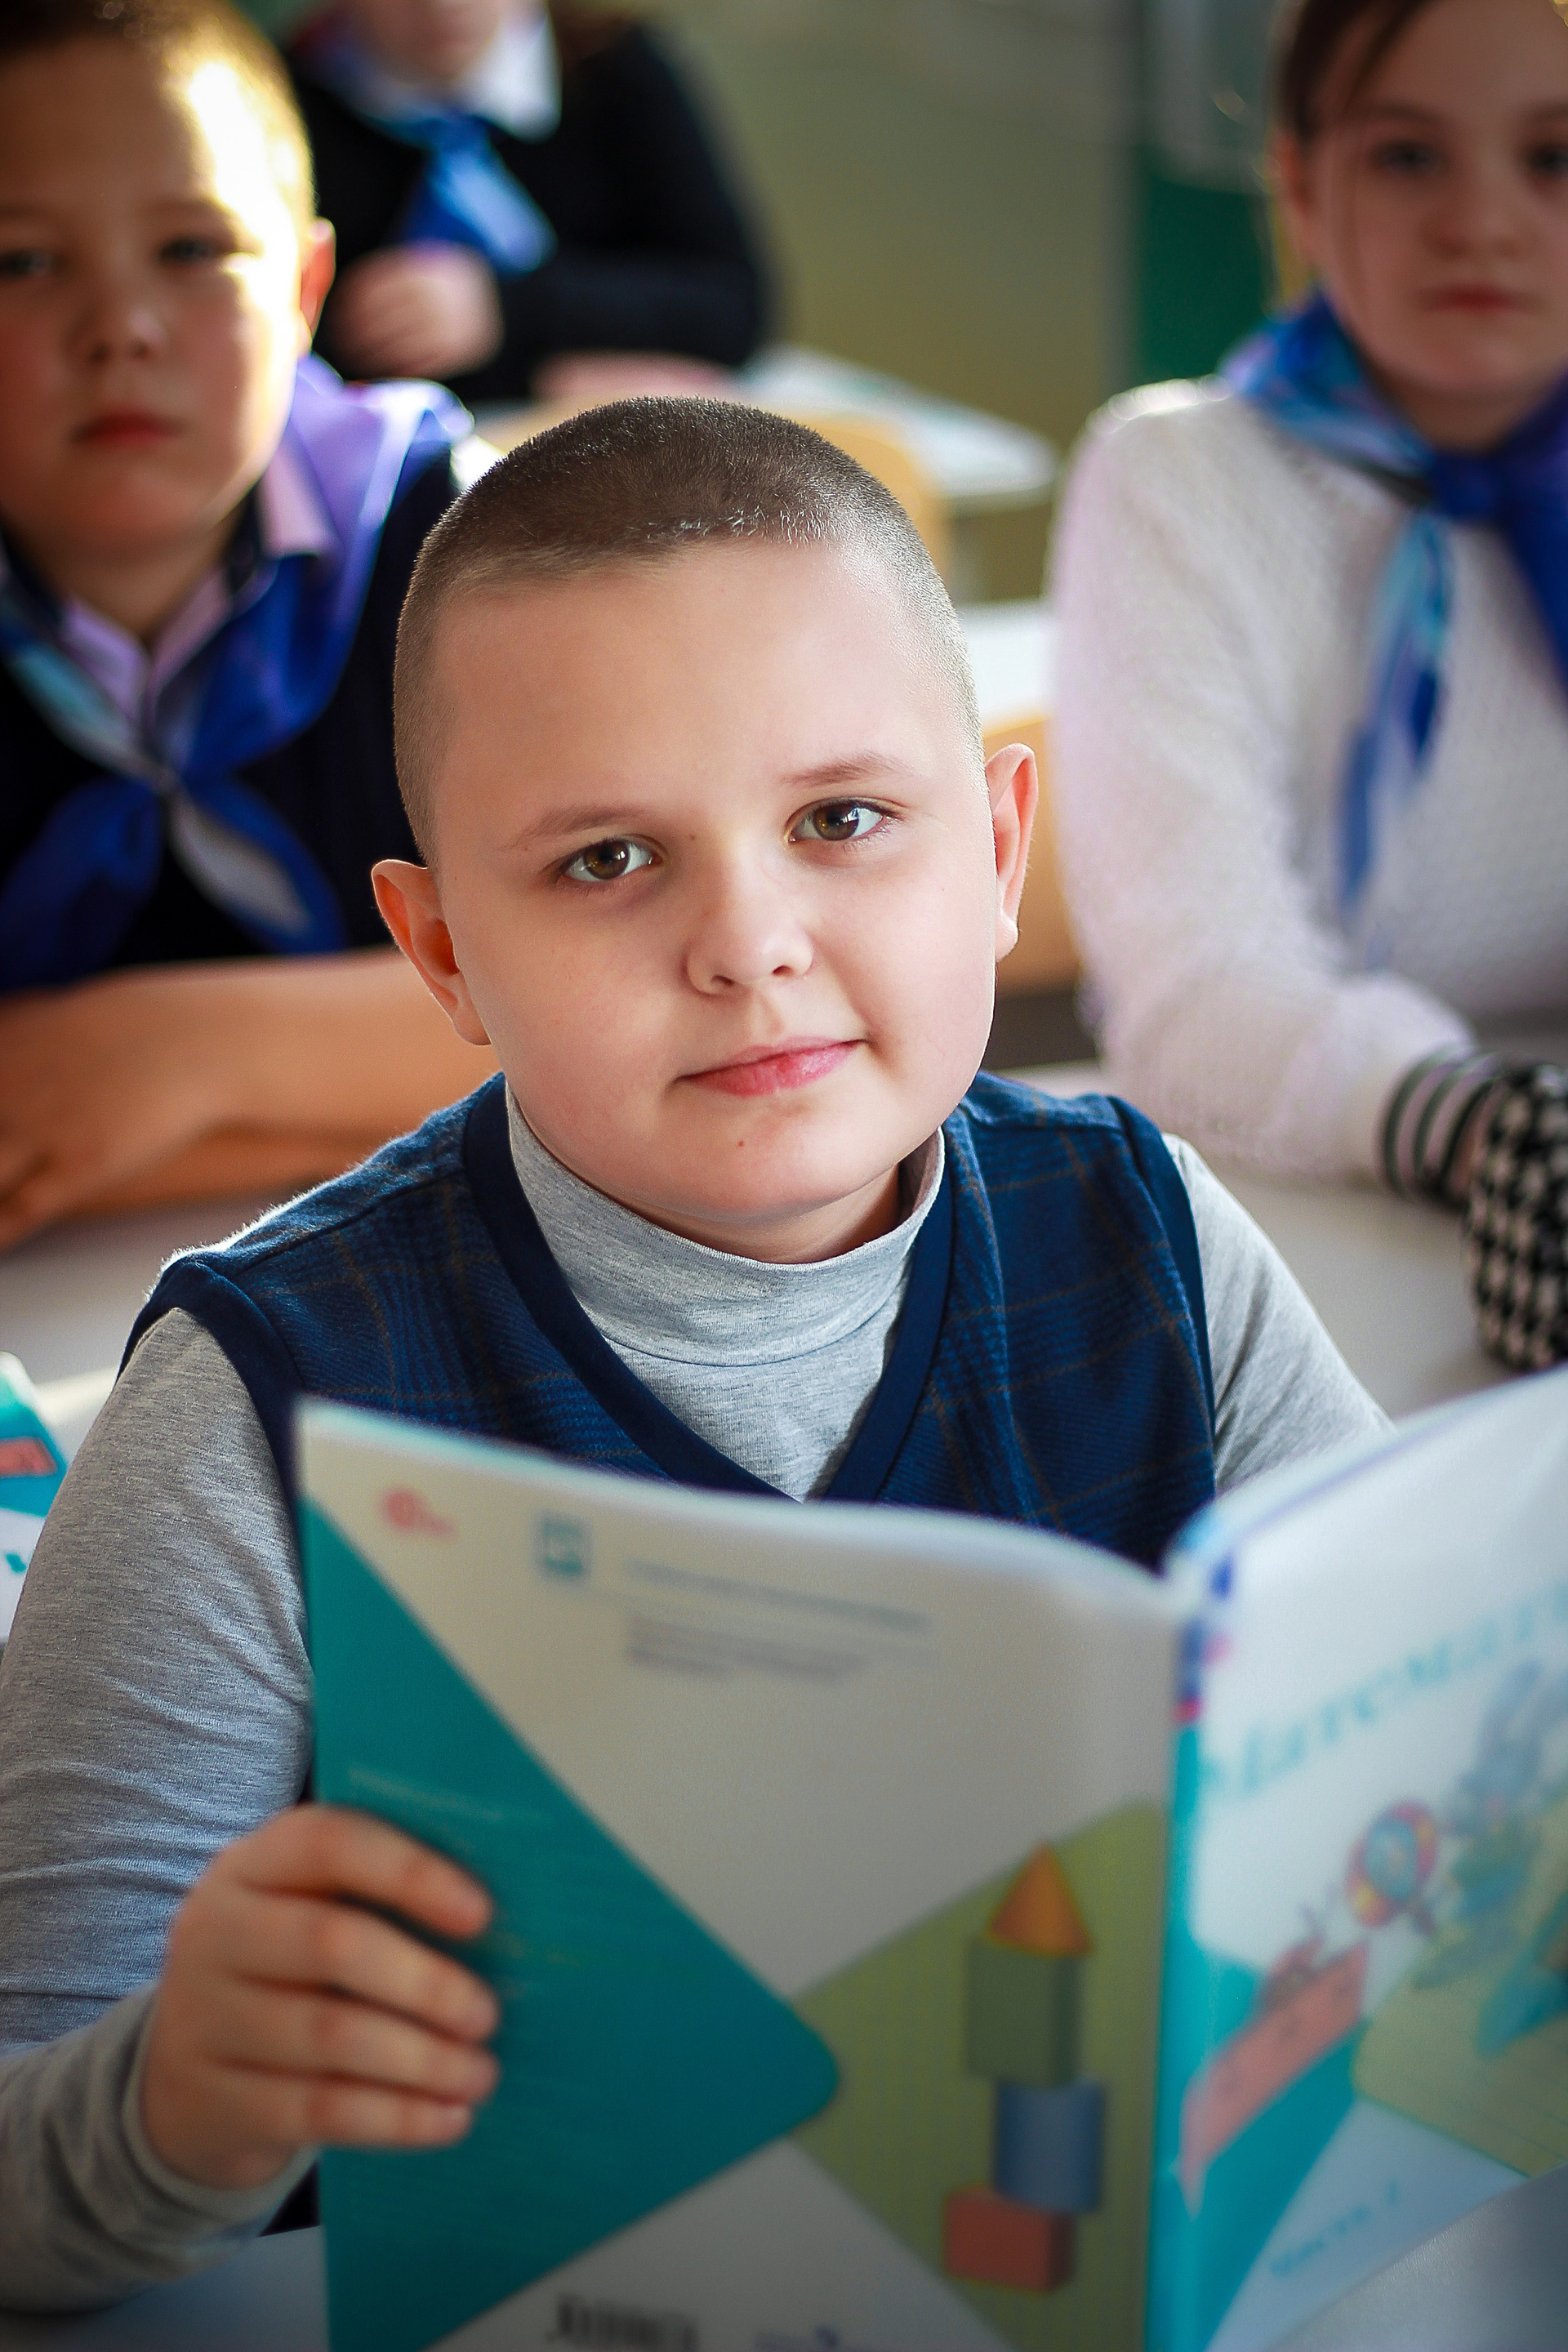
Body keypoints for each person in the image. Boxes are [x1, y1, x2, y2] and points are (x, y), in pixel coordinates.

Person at [0, 400, 1386, 2310]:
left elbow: (1412, 1777)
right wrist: (176, 2104)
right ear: (441, 955)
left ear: (997, 849)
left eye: (840, 821)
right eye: (607, 860)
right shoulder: (255, 1408)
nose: (749, 943)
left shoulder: (1151, 1238)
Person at [1052, 0, 1568, 1369]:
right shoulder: (1178, 479)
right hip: (1306, 1231)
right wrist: (1486, 1126)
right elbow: (1196, 992)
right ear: (1298, 181)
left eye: (1555, 157)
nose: (1482, 222)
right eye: (1408, 157)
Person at [0, 0, 497, 1251]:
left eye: (192, 248)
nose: (120, 329)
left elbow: (632, 989)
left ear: (305, 287)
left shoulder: (465, 555)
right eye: (23, 263)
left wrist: (160, 1058)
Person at [286, 0, 769, 403]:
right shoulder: (287, 102)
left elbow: (732, 304)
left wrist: (506, 310)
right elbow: (297, 355)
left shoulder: (612, 66)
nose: (444, 6)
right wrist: (538, 376)